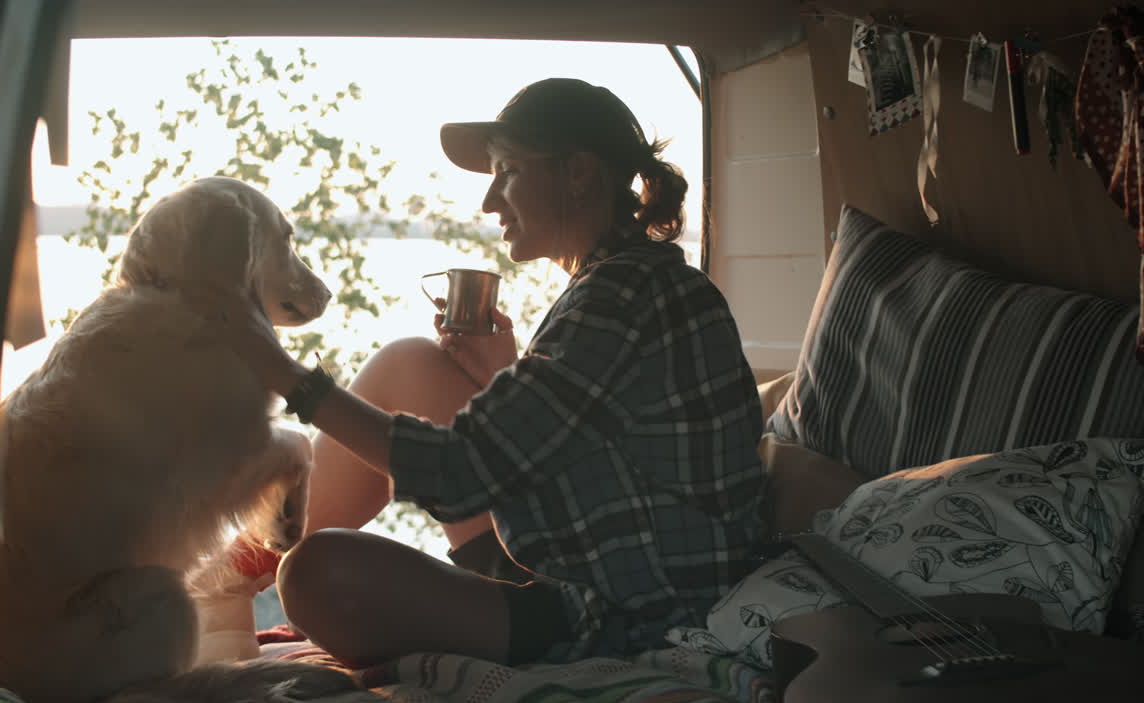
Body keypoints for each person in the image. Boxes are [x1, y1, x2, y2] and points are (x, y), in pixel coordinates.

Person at [199, 77, 769, 668]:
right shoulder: (636, 279)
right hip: (591, 558)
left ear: (579, 173)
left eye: (508, 172)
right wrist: (507, 372)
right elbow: (598, 450)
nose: (490, 201)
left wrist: (286, 375)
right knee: (411, 363)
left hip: (625, 614)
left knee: (318, 575)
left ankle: (220, 585)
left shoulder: (620, 296)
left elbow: (458, 474)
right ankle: (227, 581)